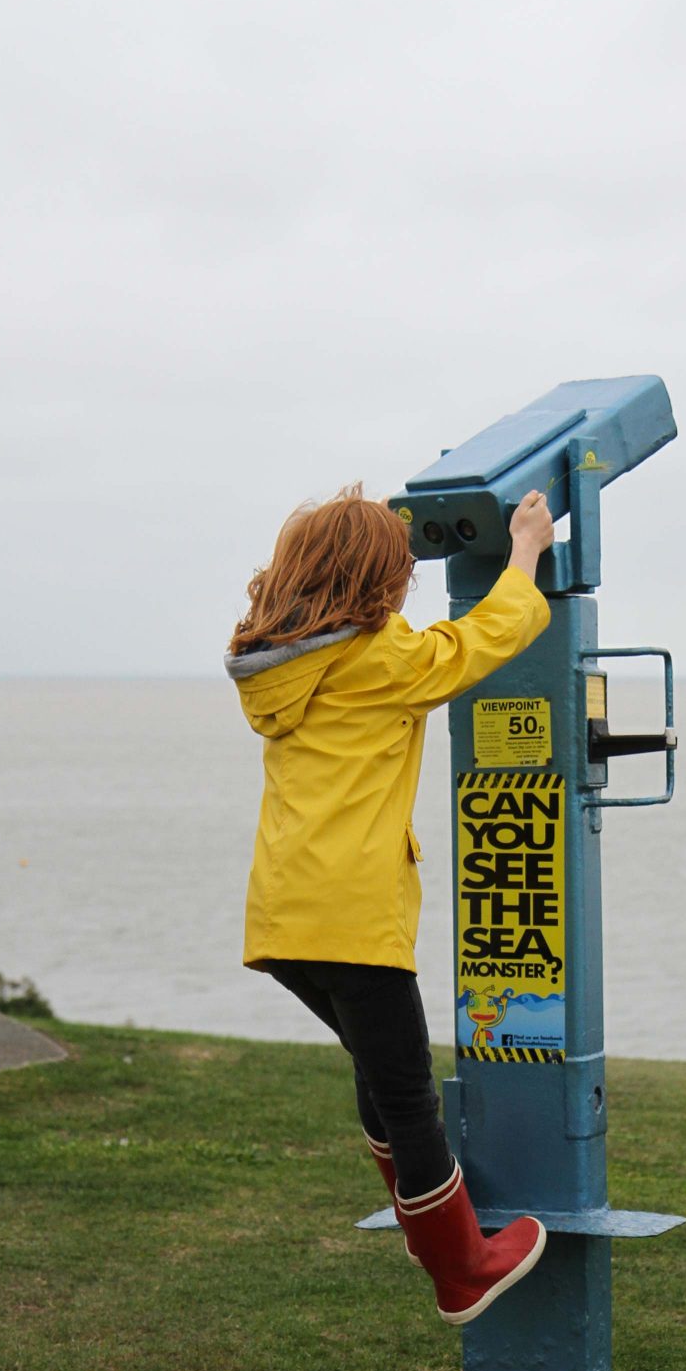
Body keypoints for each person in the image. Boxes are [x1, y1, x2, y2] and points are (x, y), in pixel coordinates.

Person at [224, 483, 556, 1324]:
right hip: (352, 918)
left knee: (381, 1073)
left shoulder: (283, 660)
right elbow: (483, 639)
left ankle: (426, 1224)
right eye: (400, 568)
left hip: (285, 920)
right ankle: (461, 1268)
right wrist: (524, 556)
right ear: (372, 577)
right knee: (409, 1096)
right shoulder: (376, 659)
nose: (409, 581)